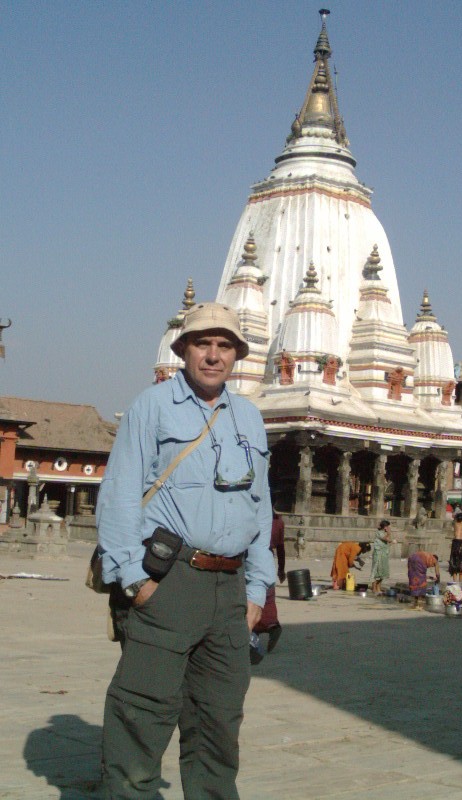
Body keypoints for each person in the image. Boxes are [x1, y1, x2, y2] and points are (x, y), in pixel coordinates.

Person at [96, 302, 275, 800]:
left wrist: (257, 589)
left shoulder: (250, 418)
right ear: (182, 350)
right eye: (203, 344)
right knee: (142, 714)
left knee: (219, 721)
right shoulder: (151, 407)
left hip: (231, 589)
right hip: (170, 579)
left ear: (237, 355)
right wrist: (135, 580)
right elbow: (120, 494)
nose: (214, 356)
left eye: (224, 346)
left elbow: (261, 511)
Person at [253, 510, 286, 652]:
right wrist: (281, 569)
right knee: (268, 595)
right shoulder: (278, 522)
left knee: (252, 594)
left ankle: (255, 628)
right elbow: (281, 548)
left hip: (252, 556)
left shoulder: (255, 518)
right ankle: (272, 626)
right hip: (268, 558)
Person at [370, 519, 396, 595]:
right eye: (387, 526)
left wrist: (391, 540)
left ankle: (378, 588)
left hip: (384, 554)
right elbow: (385, 538)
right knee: (376, 571)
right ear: (385, 526)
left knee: (382, 572)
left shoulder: (385, 533)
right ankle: (374, 588)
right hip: (378, 554)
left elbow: (388, 540)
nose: (388, 528)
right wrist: (389, 533)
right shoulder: (379, 533)